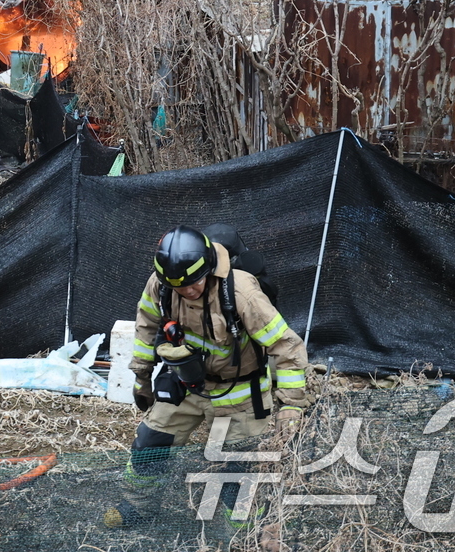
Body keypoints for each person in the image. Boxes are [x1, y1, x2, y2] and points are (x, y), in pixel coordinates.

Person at [108, 224, 312, 530]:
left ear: (209, 267)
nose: (187, 291)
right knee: (149, 444)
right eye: (179, 286)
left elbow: (288, 347)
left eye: (194, 283)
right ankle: (137, 508)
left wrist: (292, 405)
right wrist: (142, 377)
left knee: (238, 472)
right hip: (188, 384)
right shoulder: (161, 284)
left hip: (241, 392)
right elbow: (145, 325)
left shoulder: (241, 291)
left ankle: (245, 533)